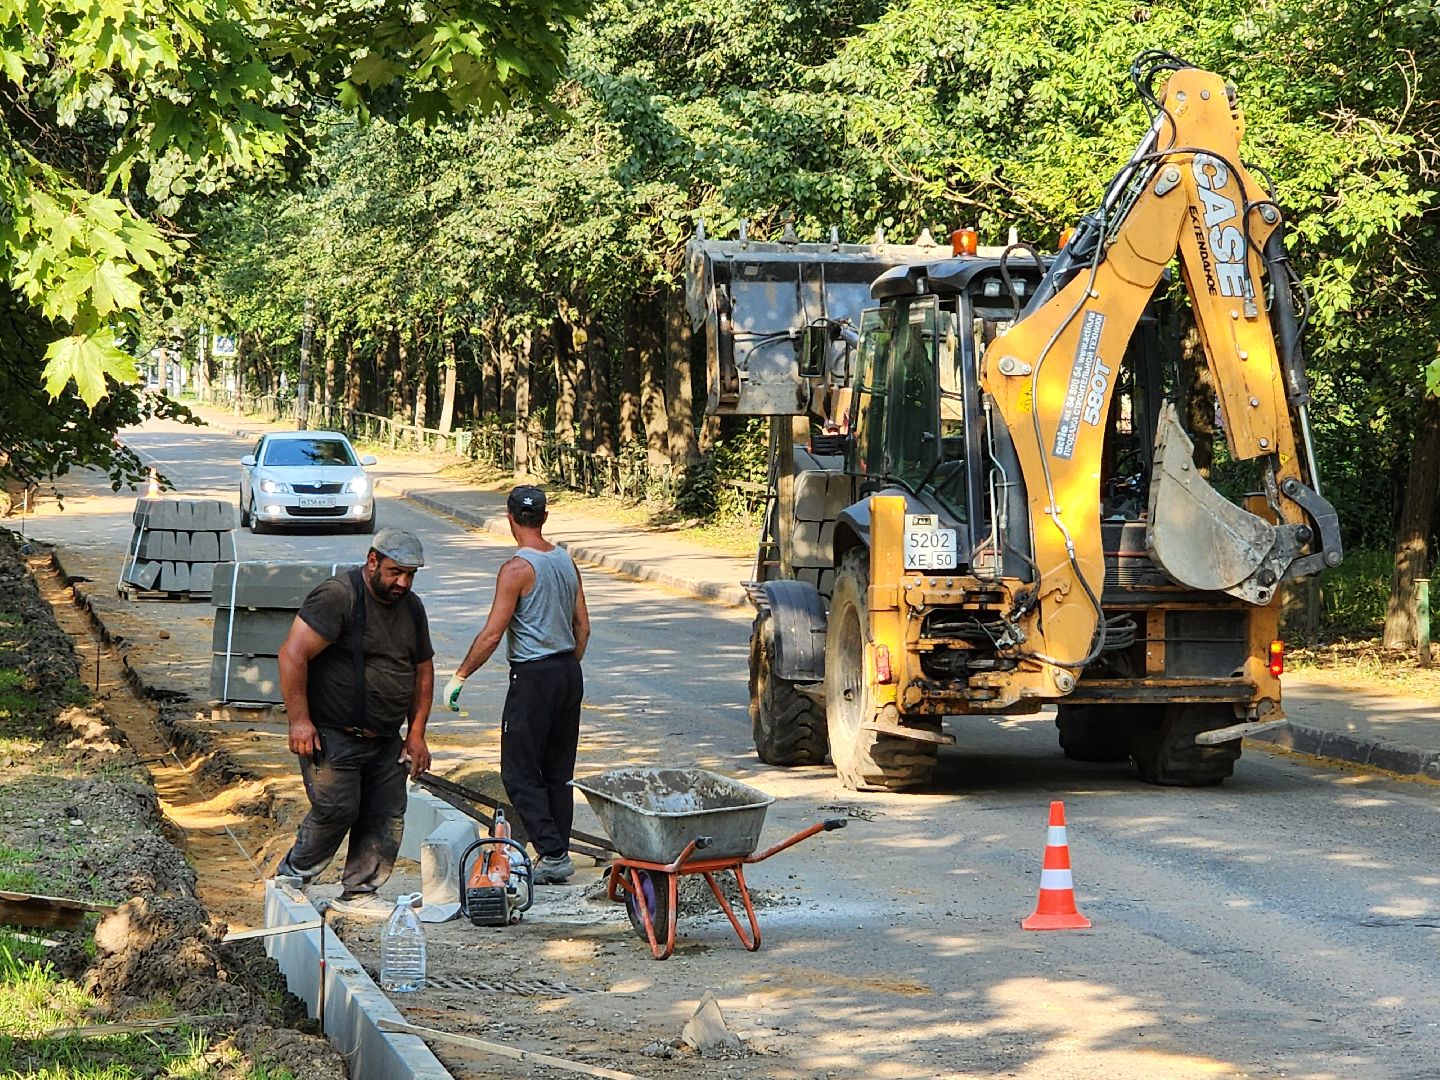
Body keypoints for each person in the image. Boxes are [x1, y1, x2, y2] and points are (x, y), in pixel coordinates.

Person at [272, 529, 435, 917]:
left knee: (386, 812)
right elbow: (292, 655)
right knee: (337, 808)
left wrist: (416, 735)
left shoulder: (411, 608)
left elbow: (423, 671)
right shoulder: (338, 596)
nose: (403, 583)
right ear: (373, 560)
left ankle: (360, 891)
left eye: (411, 574)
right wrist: (299, 721)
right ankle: (292, 878)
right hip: (333, 733)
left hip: (385, 737)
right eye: (396, 572)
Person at [444, 486, 589, 884]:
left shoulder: (516, 569)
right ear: (544, 517)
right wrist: (566, 667)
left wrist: (460, 676)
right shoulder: (565, 561)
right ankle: (555, 850)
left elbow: (492, 634)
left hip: (533, 676)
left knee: (519, 772)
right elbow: (583, 626)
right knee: (558, 770)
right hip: (567, 672)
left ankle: (554, 852)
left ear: (510, 519)